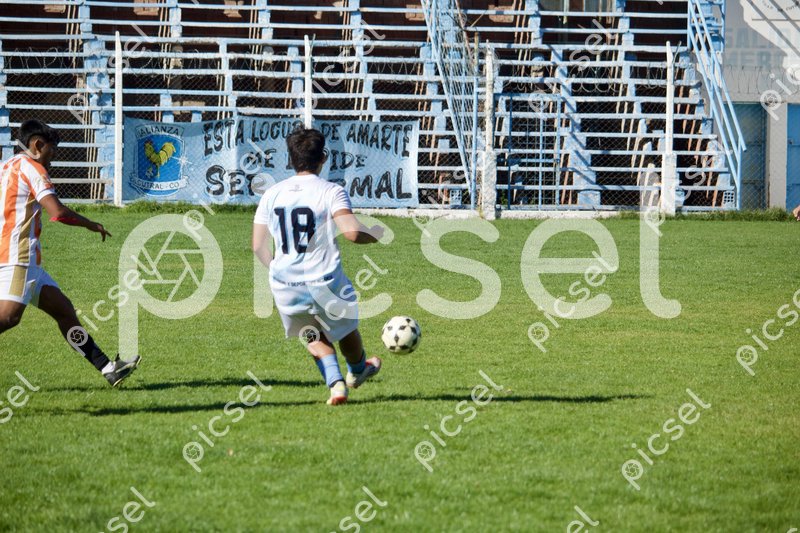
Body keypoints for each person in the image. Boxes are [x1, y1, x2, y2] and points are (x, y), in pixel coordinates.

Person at [0, 119, 141, 387]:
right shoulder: (33, 168)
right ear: (37, 145)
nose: (53, 156)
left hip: (19, 256)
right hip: (18, 256)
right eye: (52, 149)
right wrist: (91, 224)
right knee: (9, 317)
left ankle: (108, 368)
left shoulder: (7, 165)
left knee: (64, 311)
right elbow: (58, 212)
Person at [252, 128, 384, 405]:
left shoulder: (271, 194)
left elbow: (258, 246)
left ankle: (336, 384)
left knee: (310, 334)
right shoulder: (331, 191)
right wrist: (374, 233)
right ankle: (358, 369)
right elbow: (352, 233)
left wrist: (278, 269)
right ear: (323, 157)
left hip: (285, 283)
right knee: (346, 328)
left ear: (290, 159)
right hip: (325, 280)